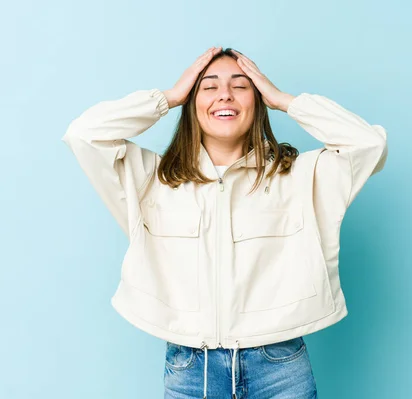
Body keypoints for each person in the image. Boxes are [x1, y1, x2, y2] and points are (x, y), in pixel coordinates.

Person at [62, 46, 388, 399]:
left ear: (258, 99)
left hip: (280, 368)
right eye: (209, 86)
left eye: (241, 85)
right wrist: (167, 98)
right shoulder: (151, 179)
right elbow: (85, 135)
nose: (225, 95)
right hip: (190, 371)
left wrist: (285, 101)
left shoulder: (300, 176)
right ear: (192, 101)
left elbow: (368, 143)